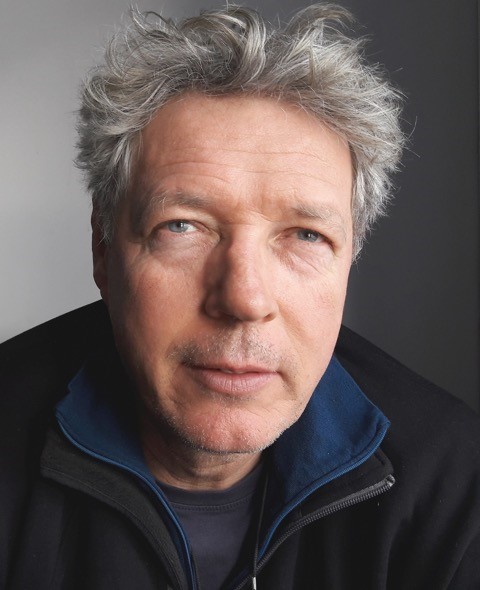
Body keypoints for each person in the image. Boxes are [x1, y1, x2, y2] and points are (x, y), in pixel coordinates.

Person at [1, 4, 479, 589]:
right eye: (183, 226)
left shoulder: (453, 481)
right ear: (103, 248)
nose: (245, 299)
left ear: (349, 258)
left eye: (306, 235)